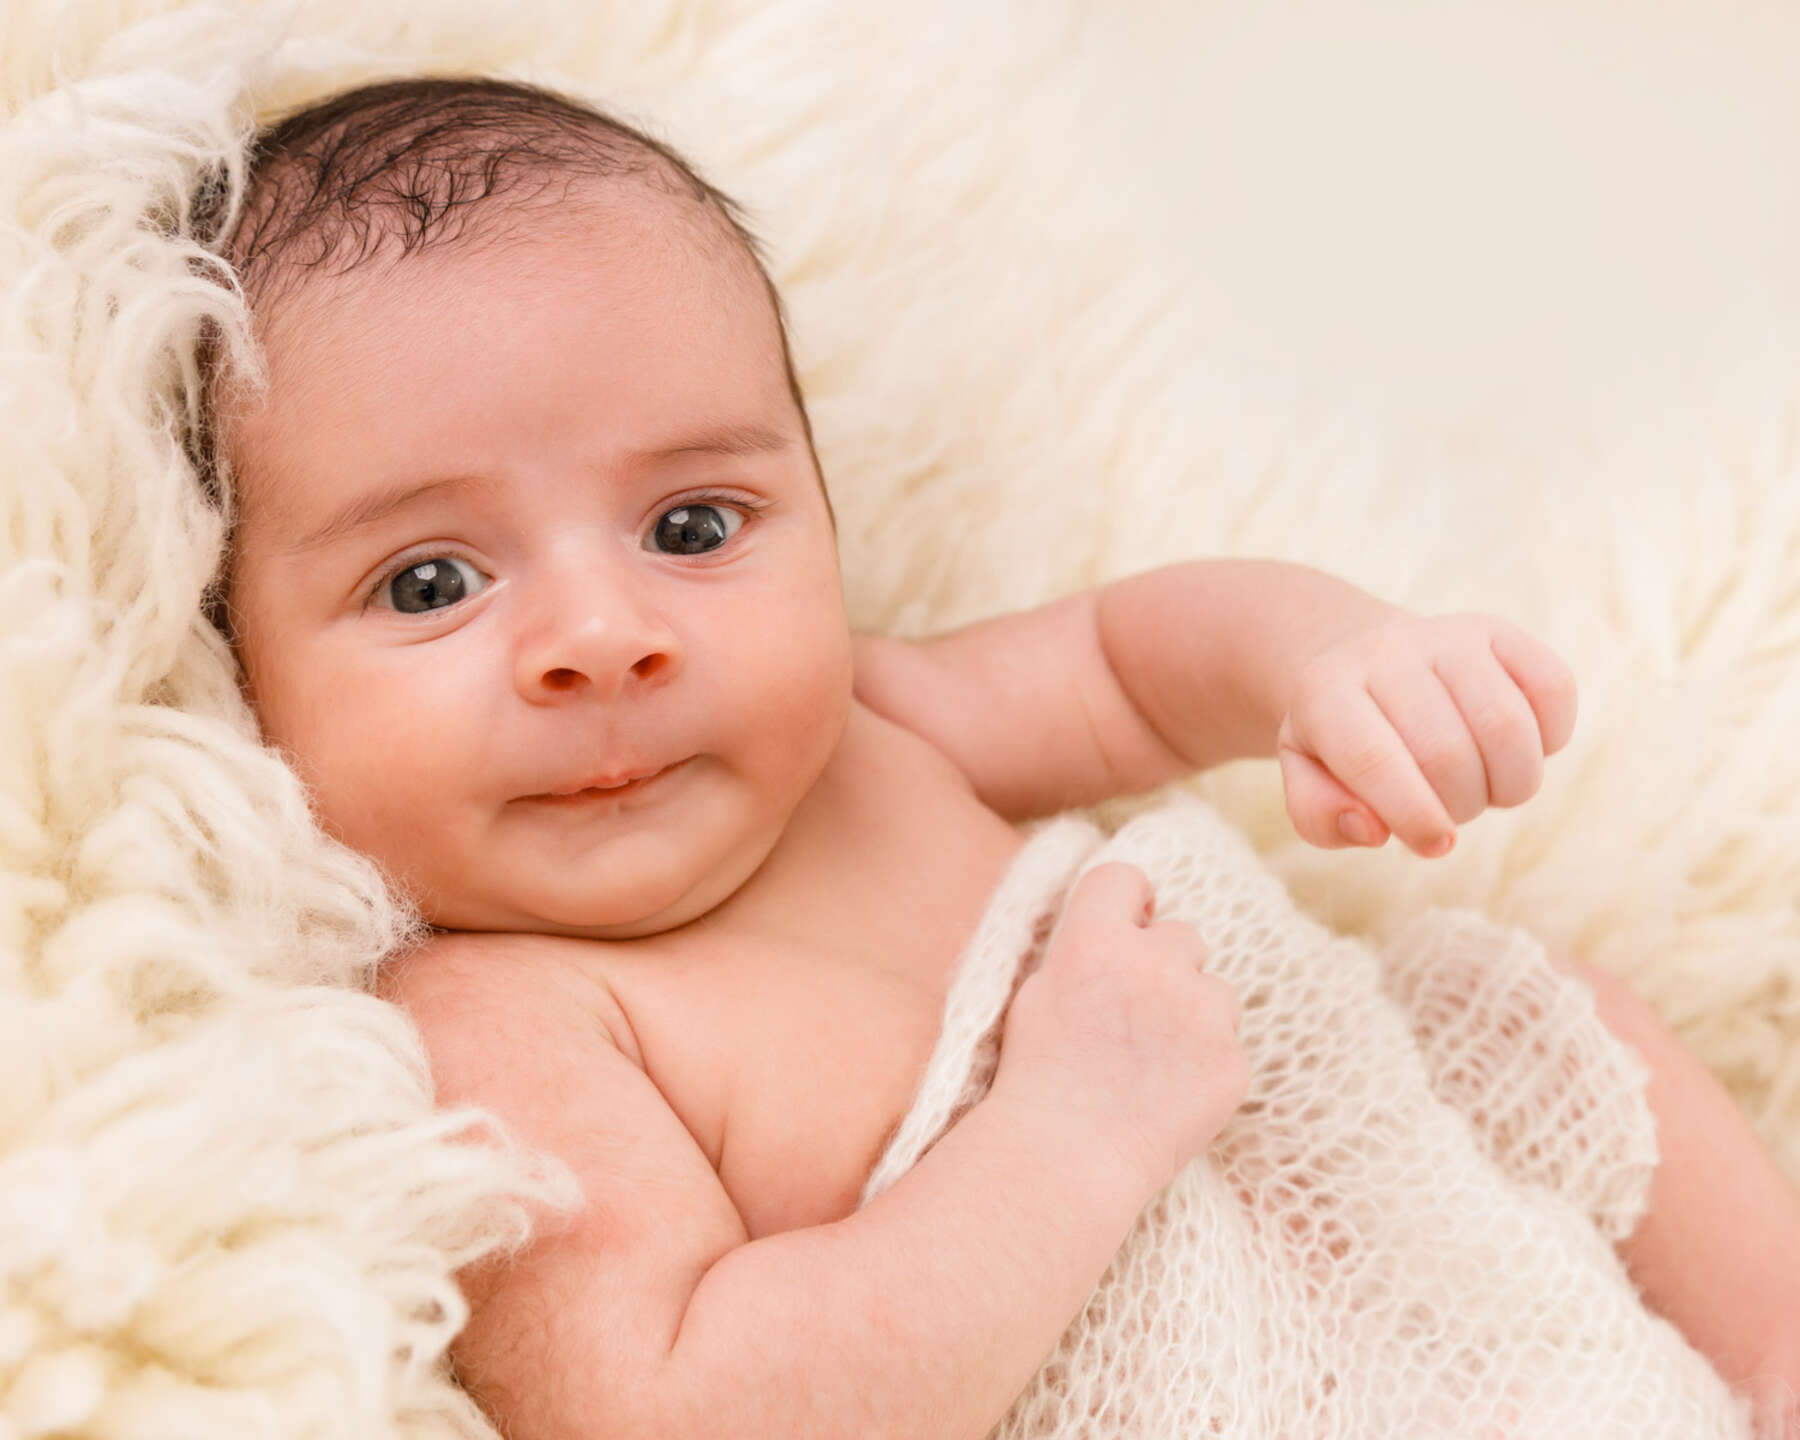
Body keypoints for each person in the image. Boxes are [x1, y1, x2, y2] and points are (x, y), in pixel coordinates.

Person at [199, 75, 1800, 1439]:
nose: (603, 635)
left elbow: (1129, 663)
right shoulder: (493, 1018)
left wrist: (1334, 658)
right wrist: (1074, 1127)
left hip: (1429, 1262)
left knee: (1547, 1012)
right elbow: (683, 1405)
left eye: (693, 526)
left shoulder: (875, 730)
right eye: (430, 582)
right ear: (238, 666)